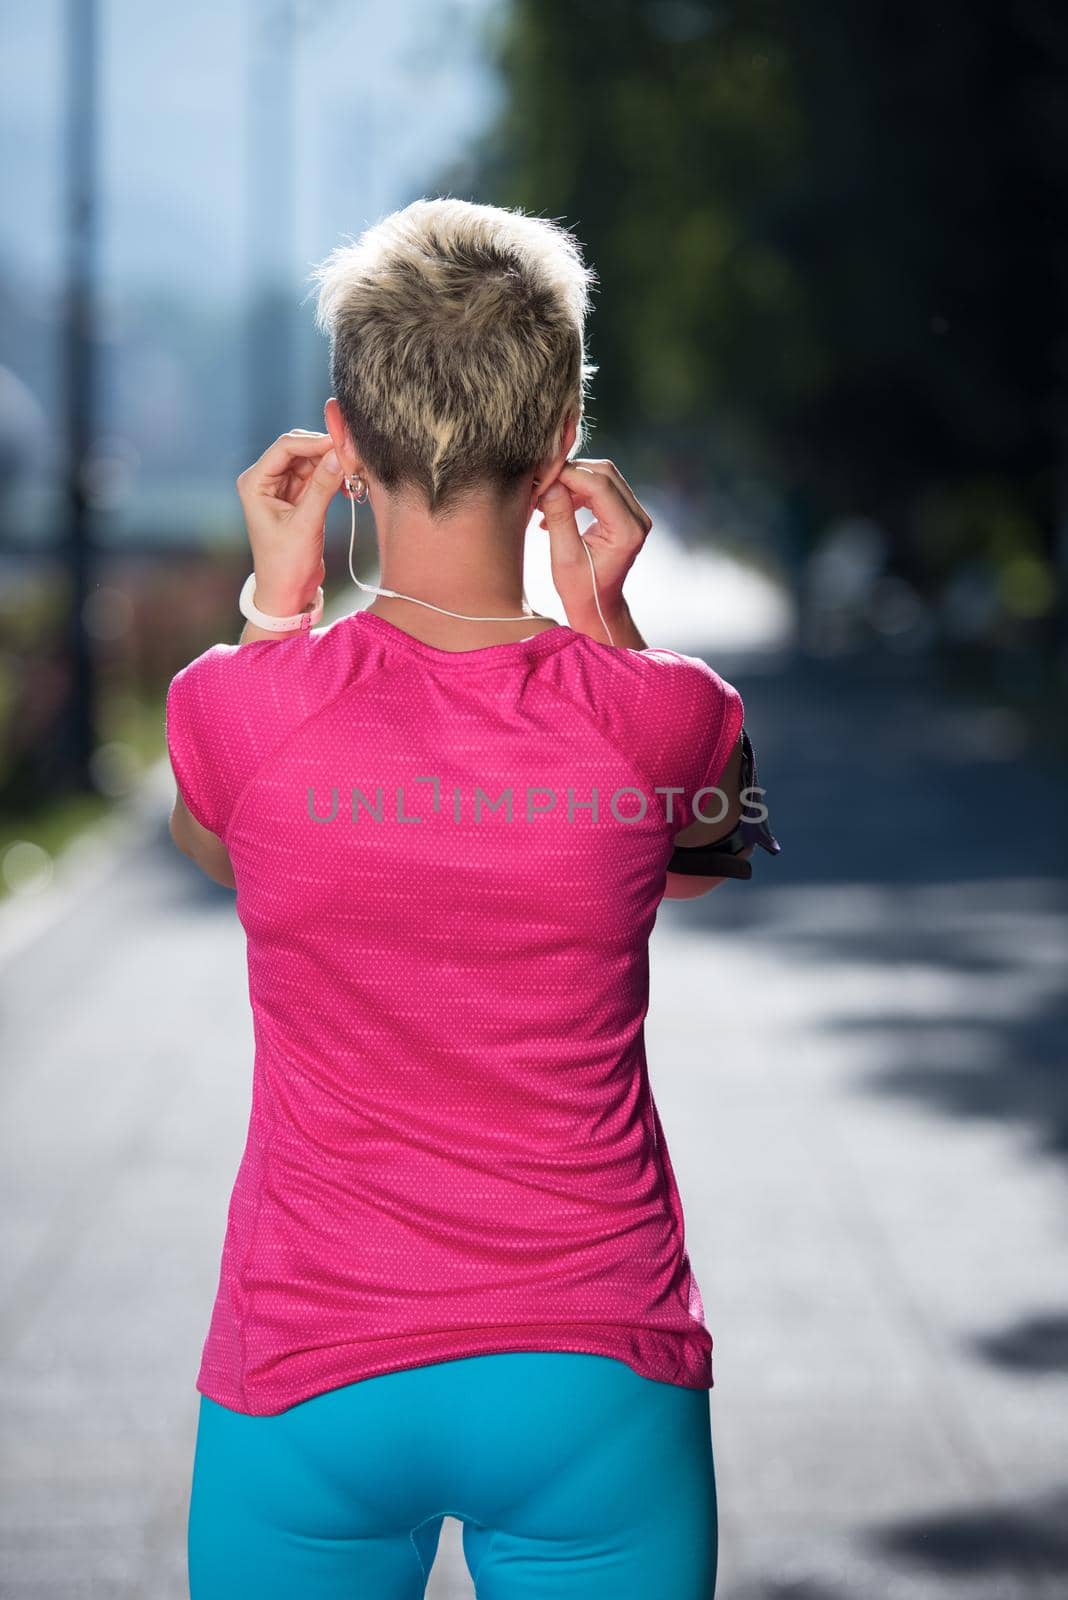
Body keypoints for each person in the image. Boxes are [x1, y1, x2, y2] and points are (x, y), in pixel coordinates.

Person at [167, 198, 779, 1600]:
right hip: (592, 1370)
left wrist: (279, 610)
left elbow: (226, 852)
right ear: (563, 442)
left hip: (306, 1370)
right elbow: (708, 858)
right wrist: (610, 621)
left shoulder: (234, 712)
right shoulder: (672, 715)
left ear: (345, 446)